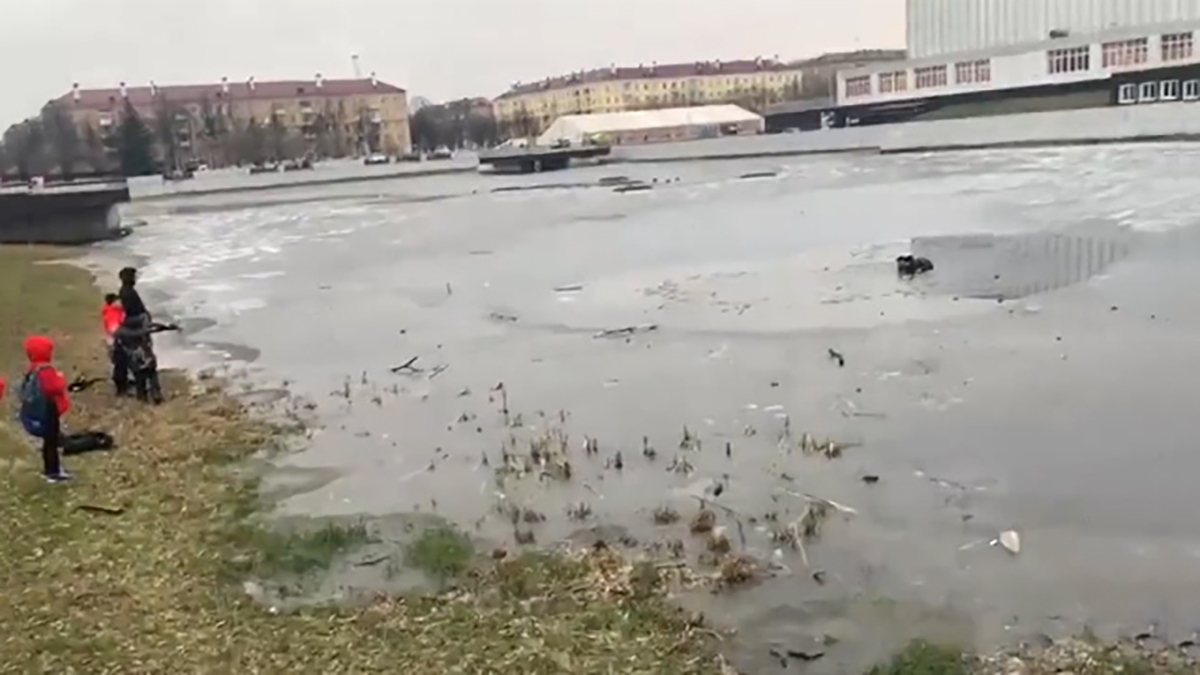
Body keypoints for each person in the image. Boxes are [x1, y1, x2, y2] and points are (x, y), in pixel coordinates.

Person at [18, 336, 72, 483]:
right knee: (51, 443)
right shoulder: (46, 370)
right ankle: (53, 472)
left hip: (42, 410)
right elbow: (53, 388)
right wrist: (60, 379)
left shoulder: (33, 369)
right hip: (49, 410)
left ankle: (50, 469)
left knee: (49, 442)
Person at [112, 315, 164, 404]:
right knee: (145, 377)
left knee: (144, 377)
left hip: (137, 358)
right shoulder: (123, 332)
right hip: (137, 358)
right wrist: (157, 329)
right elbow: (142, 331)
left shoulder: (121, 331)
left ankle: (147, 397)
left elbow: (146, 327)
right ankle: (152, 396)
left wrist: (163, 327)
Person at [102, 293, 131, 395]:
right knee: (120, 365)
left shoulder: (115, 311)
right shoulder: (112, 313)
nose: (120, 303)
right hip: (116, 342)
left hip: (115, 341)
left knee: (121, 364)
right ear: (113, 302)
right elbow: (114, 329)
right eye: (118, 301)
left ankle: (123, 384)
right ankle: (121, 388)